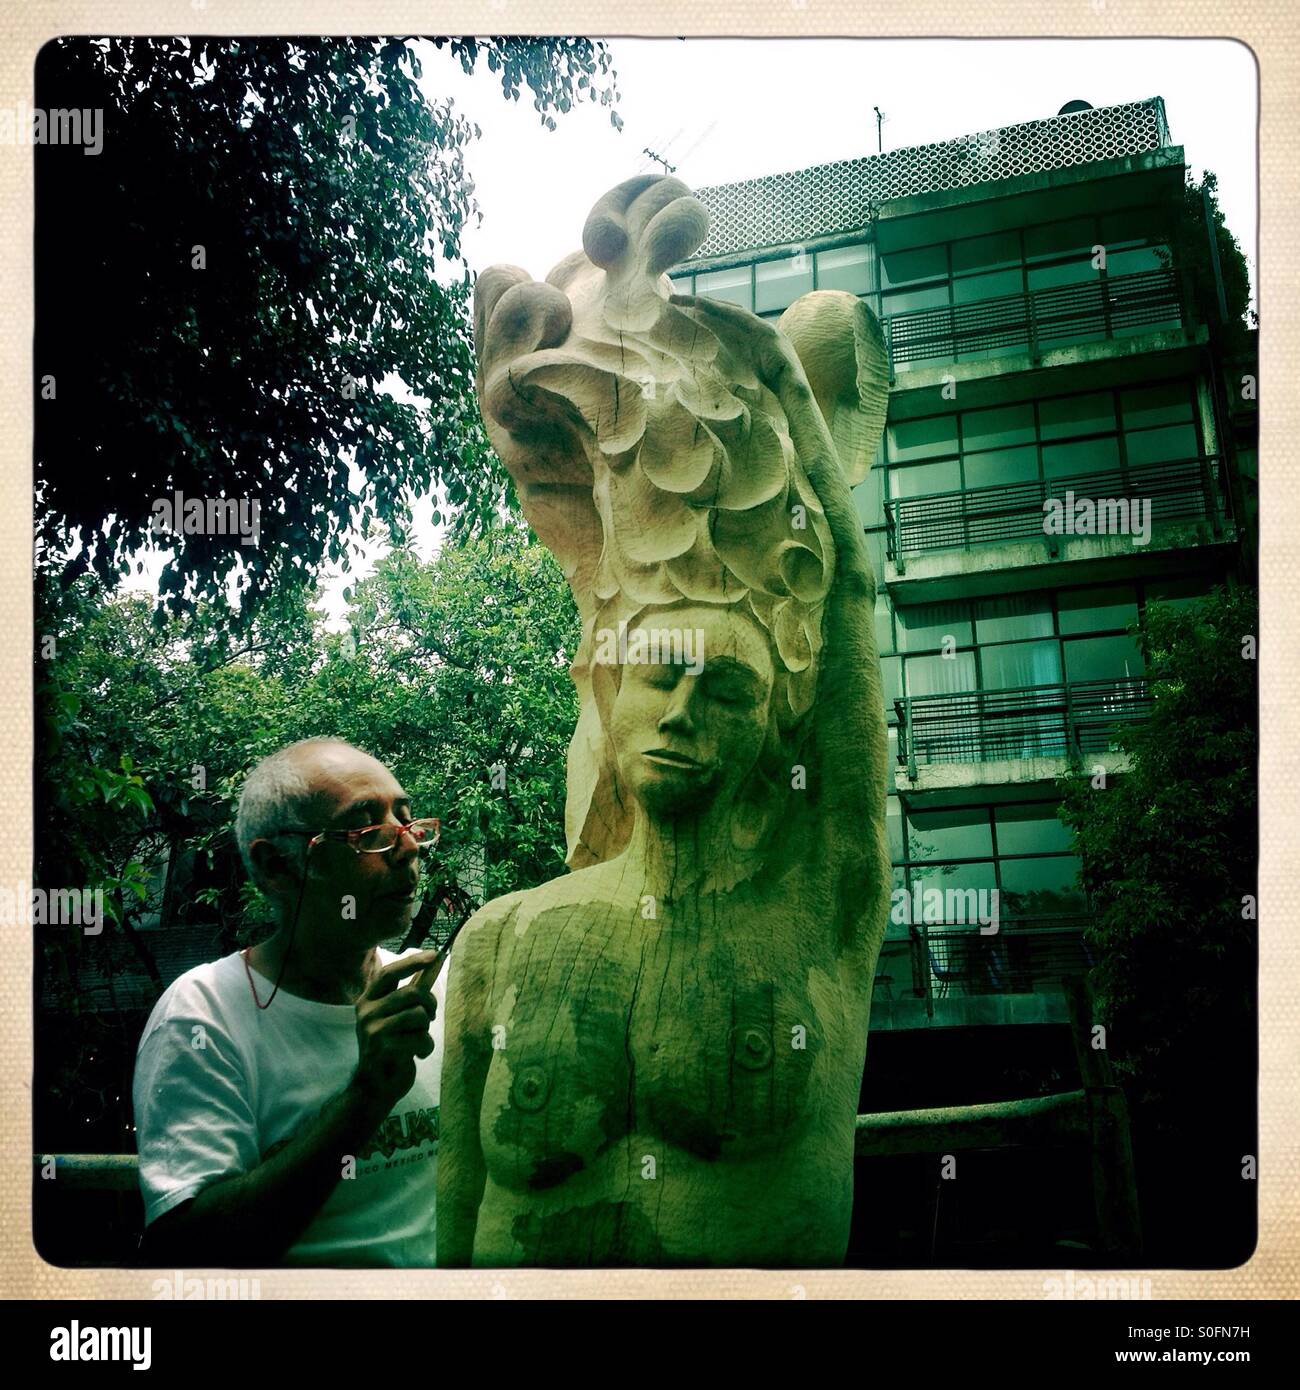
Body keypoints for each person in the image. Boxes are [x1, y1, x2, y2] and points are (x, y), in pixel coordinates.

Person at [133, 737, 446, 1267]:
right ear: (278, 866)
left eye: (409, 822)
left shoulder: (435, 985)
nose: (409, 847)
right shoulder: (203, 1014)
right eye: (369, 831)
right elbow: (189, 1252)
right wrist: (365, 1097)